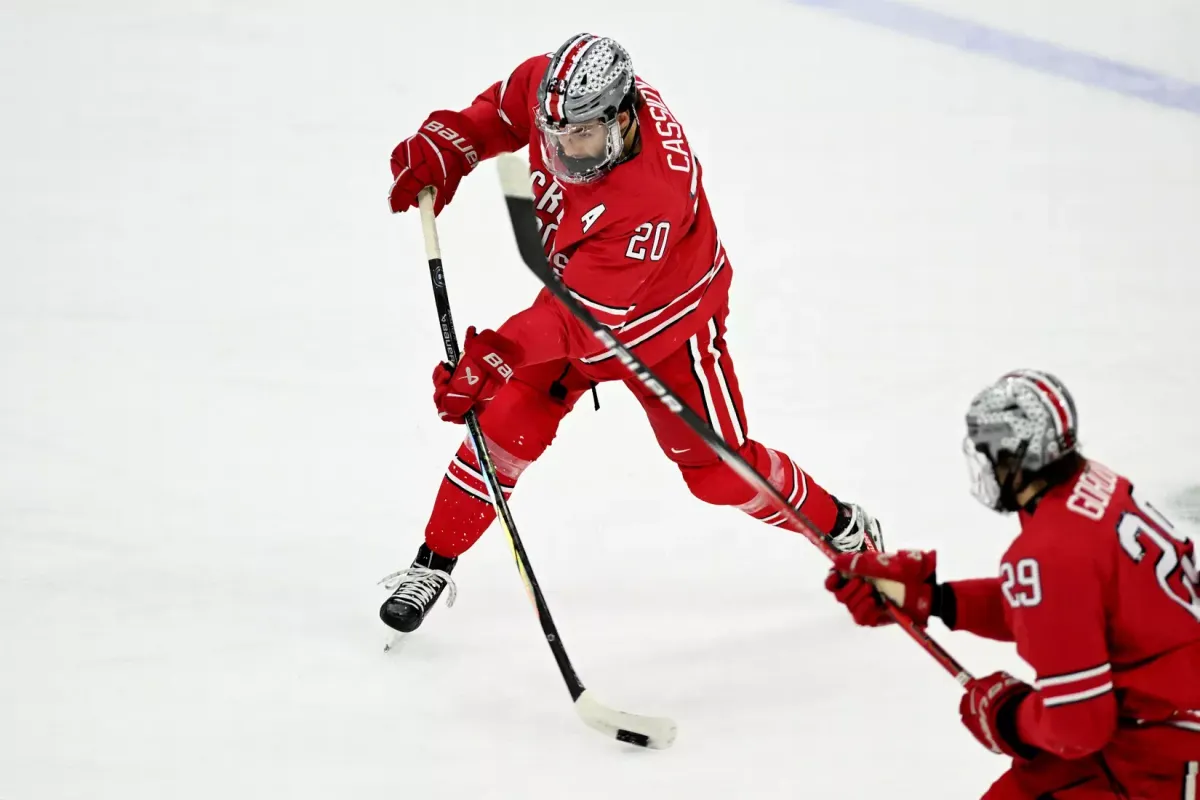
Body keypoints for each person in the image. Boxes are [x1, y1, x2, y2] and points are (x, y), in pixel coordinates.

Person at [380, 32, 883, 635]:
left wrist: (500, 355)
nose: (563, 150)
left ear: (623, 116)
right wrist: (454, 142)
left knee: (719, 473)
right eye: (554, 135)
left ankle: (841, 527)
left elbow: (581, 323)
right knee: (505, 424)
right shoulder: (555, 92)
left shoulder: (650, 195)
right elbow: (499, 114)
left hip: (666, 331)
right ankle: (432, 562)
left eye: (582, 137)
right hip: (579, 303)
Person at [825, 369, 1200, 798]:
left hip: (1162, 763)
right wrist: (938, 600)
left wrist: (1008, 717)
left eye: (990, 453)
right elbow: (1067, 606)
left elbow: (1078, 727)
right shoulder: (1093, 486)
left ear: (1016, 457)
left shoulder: (1052, 551)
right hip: (1155, 725)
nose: (986, 465)